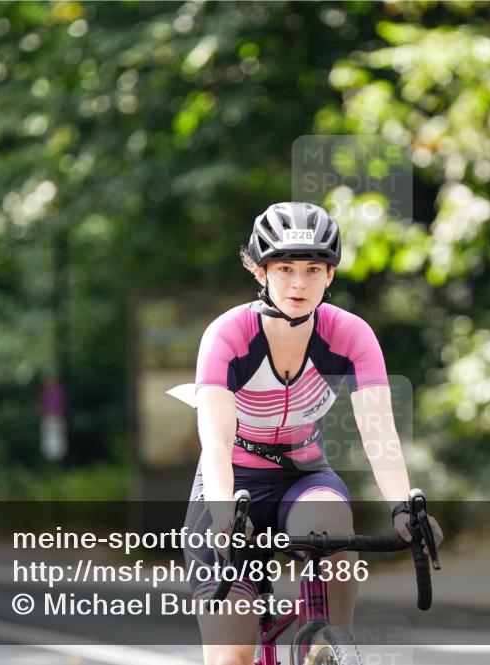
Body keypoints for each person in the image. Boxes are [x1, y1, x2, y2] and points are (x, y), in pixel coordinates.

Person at [184, 202, 443, 665]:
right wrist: (224, 513)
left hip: (302, 477)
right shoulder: (228, 334)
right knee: (231, 656)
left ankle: (331, 645)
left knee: (331, 522)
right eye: (284, 269)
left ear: (330, 275)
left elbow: (379, 433)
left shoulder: (350, 334)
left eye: (312, 269)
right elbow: (217, 442)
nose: (299, 283)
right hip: (232, 485)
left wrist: (403, 507)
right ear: (261, 273)